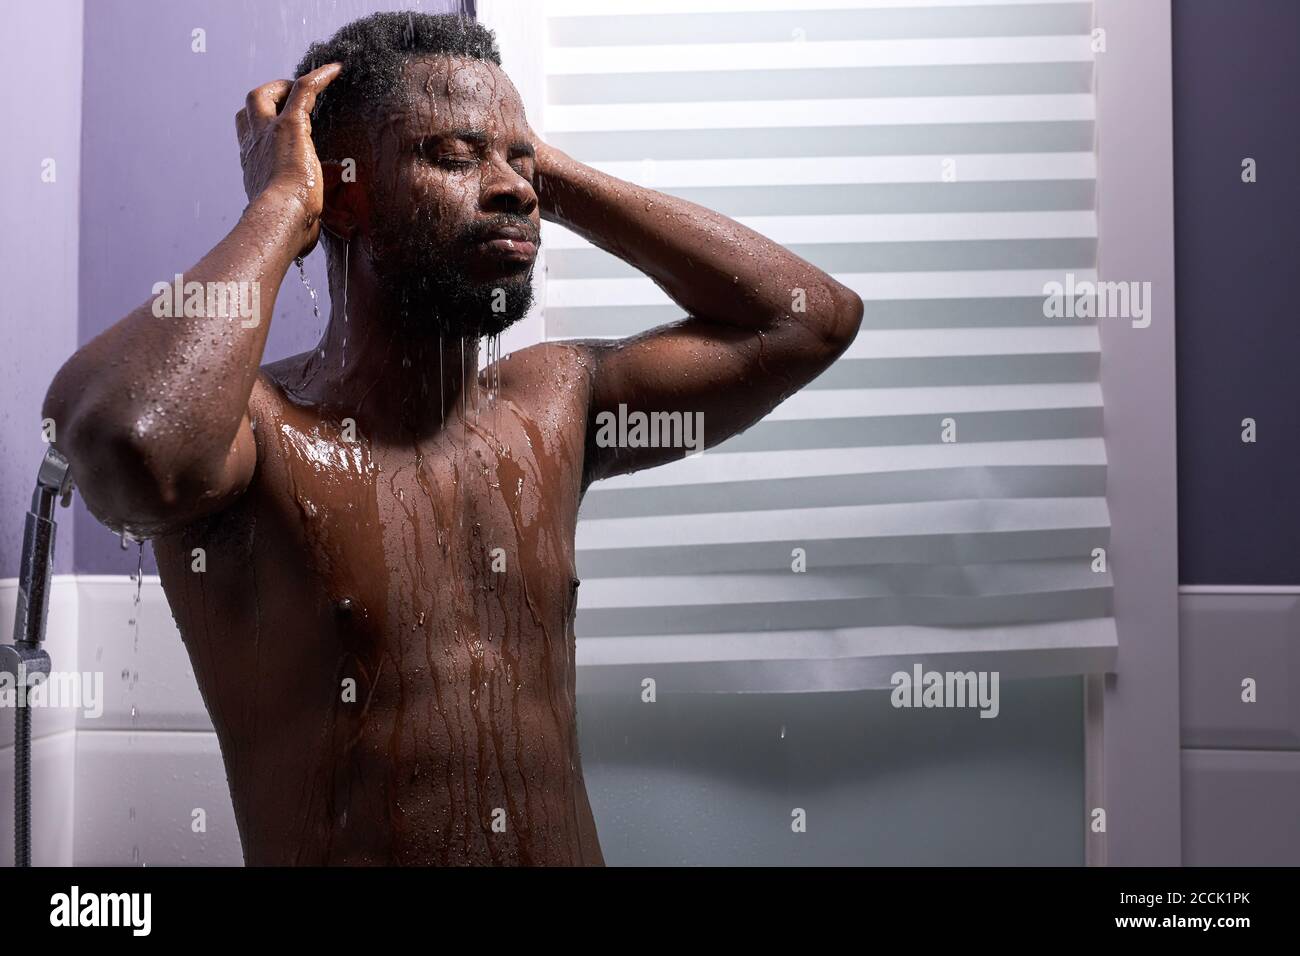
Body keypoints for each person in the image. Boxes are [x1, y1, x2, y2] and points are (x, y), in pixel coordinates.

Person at [43, 12, 863, 865]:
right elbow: (128, 446)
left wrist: (536, 168)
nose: (515, 188)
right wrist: (283, 204)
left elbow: (809, 319)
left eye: (522, 161)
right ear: (347, 191)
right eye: (453, 155)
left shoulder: (554, 405)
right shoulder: (255, 433)